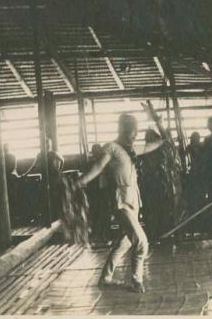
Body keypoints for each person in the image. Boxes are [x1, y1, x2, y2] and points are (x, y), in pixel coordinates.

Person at [76, 114, 163, 293]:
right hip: (120, 202)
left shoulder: (131, 150)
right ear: (123, 130)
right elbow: (99, 167)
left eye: (136, 132)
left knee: (126, 242)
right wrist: (80, 181)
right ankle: (136, 280)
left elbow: (162, 141)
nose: (135, 135)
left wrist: (157, 120)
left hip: (133, 201)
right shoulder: (112, 148)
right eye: (132, 131)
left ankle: (105, 277)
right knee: (141, 242)